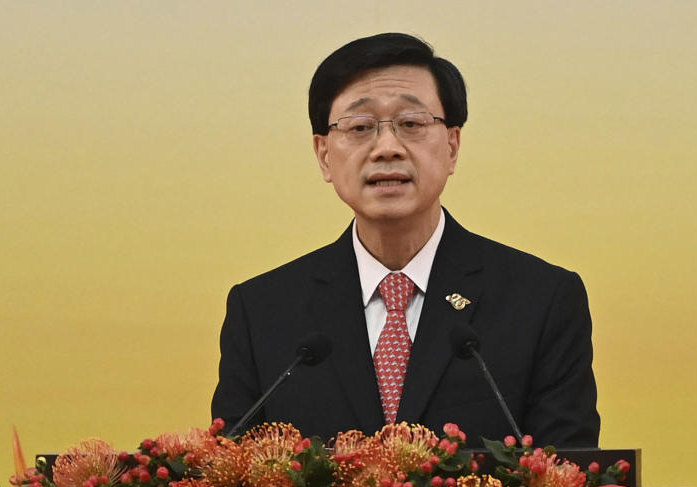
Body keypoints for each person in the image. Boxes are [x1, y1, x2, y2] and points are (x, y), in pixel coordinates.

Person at [211, 33, 599, 447]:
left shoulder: (542, 300)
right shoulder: (261, 312)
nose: (387, 148)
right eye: (359, 127)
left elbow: (571, 483)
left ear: (452, 145)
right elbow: (231, 477)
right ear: (324, 155)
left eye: (411, 124)